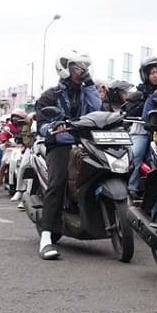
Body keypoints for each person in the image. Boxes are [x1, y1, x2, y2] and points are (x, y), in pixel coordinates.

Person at [34, 50, 101, 260]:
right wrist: (55, 127)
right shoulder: (50, 95)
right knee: (57, 183)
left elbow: (96, 110)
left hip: (85, 141)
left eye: (85, 67)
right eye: (79, 67)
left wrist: (90, 85)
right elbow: (41, 126)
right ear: (66, 68)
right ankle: (46, 238)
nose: (83, 71)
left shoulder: (85, 92)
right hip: (60, 144)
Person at [128, 56, 157, 200]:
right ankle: (131, 187)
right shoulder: (141, 93)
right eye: (152, 72)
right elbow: (136, 113)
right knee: (136, 154)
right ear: (146, 75)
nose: (155, 75)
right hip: (142, 131)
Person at [0, 110, 26, 198]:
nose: (15, 119)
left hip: (23, 149)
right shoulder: (9, 127)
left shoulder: (26, 127)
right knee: (3, 166)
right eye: (14, 116)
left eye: (18, 117)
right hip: (12, 149)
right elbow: (3, 134)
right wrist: (5, 141)